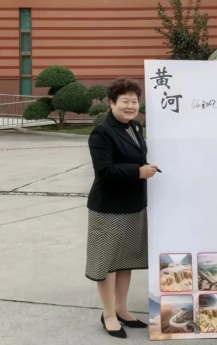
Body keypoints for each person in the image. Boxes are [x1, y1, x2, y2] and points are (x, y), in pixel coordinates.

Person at [86, 77, 159, 339]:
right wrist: (138, 172)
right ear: (111, 103)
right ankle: (108, 314)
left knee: (125, 260)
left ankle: (122, 309)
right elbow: (104, 170)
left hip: (133, 205)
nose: (131, 106)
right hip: (108, 208)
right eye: (125, 101)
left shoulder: (135, 127)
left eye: (134, 101)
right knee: (107, 263)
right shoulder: (102, 132)